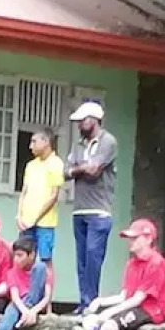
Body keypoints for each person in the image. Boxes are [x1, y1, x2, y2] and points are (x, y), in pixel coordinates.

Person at [66, 100, 118, 311]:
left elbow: (94, 170)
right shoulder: (78, 145)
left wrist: (77, 169)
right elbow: (65, 172)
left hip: (99, 211)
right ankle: (83, 302)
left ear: (93, 120)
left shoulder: (108, 142)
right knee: (82, 260)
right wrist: (81, 169)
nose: (79, 125)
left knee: (93, 257)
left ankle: (91, 302)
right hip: (79, 209)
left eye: (82, 121)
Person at [17, 127, 65, 278]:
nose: (30, 146)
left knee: (45, 260)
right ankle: (26, 295)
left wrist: (35, 219)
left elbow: (53, 196)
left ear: (45, 142)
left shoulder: (56, 163)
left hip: (44, 223)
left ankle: (47, 300)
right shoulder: (31, 165)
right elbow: (24, 191)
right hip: (26, 222)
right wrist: (19, 215)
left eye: (34, 141)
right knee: (23, 259)